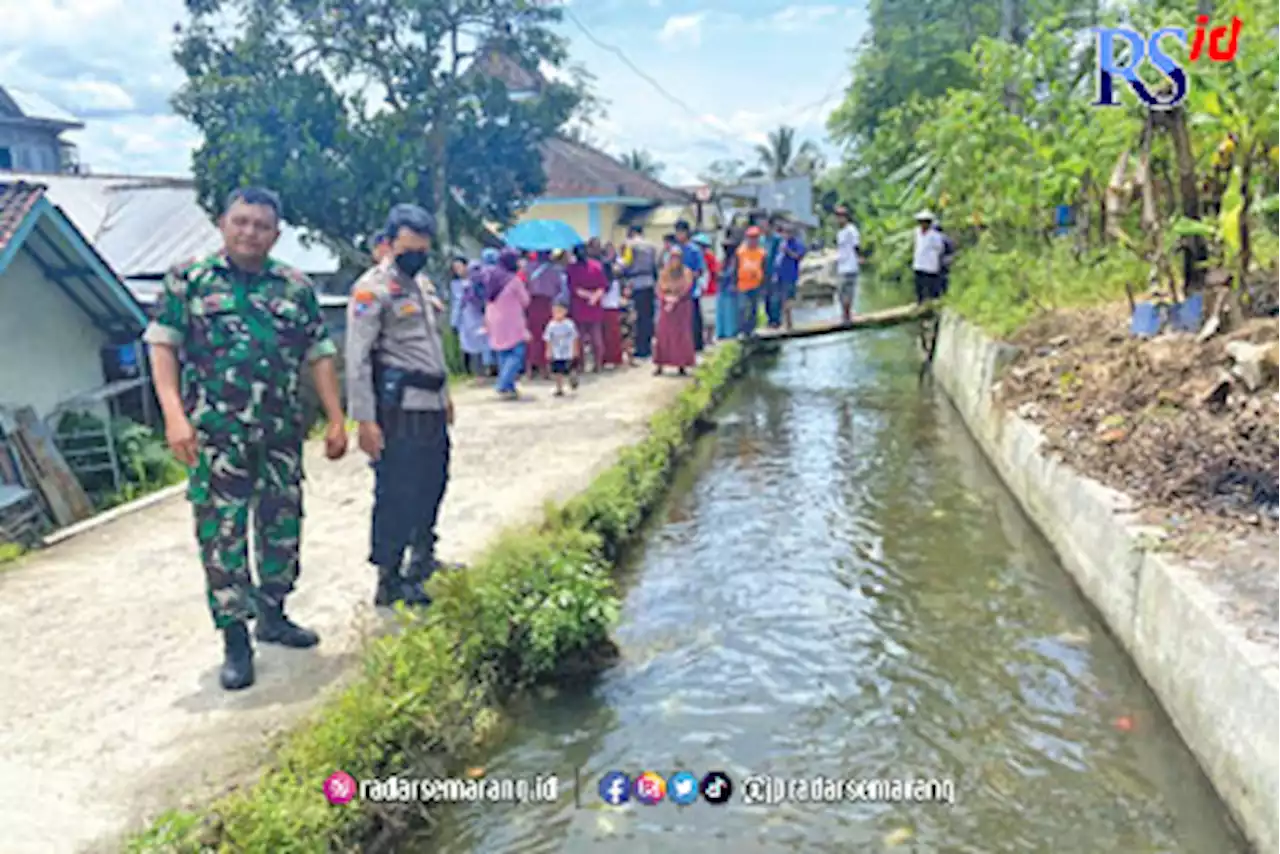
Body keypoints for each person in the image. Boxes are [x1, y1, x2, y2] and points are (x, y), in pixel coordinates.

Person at [144, 187, 348, 692]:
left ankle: (274, 615)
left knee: (282, 526)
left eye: (261, 225)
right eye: (241, 222)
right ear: (222, 223)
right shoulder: (188, 280)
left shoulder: (294, 287)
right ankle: (235, 640)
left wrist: (337, 418)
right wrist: (174, 415)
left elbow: (319, 352)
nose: (250, 232)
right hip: (215, 435)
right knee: (222, 537)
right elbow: (162, 347)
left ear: (275, 234)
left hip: (280, 432)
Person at [347, 203, 456, 615]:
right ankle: (389, 578)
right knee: (397, 491)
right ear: (389, 245)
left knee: (434, 482)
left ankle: (423, 559)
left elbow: (428, 344)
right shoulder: (371, 290)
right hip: (397, 409)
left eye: (423, 249)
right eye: (408, 249)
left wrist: (446, 396)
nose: (416, 256)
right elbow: (356, 360)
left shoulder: (421, 285)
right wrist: (365, 421)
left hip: (430, 404)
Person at [485, 248, 531, 399]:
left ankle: (509, 388)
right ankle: (503, 384)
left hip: (493, 319)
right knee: (517, 353)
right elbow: (526, 301)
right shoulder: (514, 280)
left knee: (503, 353)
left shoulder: (491, 278)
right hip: (511, 320)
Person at [524, 250, 568, 380]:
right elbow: (560, 289)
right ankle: (545, 370)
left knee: (532, 337)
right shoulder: (555, 270)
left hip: (531, 304)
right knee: (548, 337)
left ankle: (529, 370)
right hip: (548, 304)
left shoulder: (528, 268)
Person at [449, 255, 493, 383]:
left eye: (460, 266)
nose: (458, 270)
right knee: (472, 346)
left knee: (480, 344)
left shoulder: (476, 281)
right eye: (455, 268)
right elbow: (456, 303)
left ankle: (484, 372)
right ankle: (479, 373)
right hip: (466, 318)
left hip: (476, 316)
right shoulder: (456, 284)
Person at [653, 248, 697, 375]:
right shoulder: (664, 273)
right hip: (666, 307)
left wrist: (676, 298)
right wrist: (666, 298)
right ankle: (660, 364)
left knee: (681, 335)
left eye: (677, 257)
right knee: (663, 335)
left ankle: (681, 365)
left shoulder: (686, 272)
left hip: (681, 307)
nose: (675, 261)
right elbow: (658, 288)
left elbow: (687, 287)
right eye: (672, 257)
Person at [620, 225, 659, 360]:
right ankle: (647, 347)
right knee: (648, 317)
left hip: (636, 283)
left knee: (636, 317)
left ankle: (640, 347)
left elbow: (626, 263)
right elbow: (656, 266)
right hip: (649, 283)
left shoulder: (630, 245)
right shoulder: (652, 246)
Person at [567, 243, 607, 372]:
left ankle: (582, 365)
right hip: (593, 304)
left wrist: (589, 296)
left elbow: (573, 288)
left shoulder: (572, 268)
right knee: (595, 337)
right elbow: (603, 286)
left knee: (580, 337)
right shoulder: (596, 266)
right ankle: (598, 364)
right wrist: (594, 297)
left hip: (580, 305)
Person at [672, 220, 705, 353]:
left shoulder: (694, 250)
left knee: (694, 319)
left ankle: (697, 345)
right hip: (677, 290)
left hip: (691, 290)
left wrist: (689, 278)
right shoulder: (675, 250)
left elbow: (700, 270)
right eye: (677, 232)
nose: (679, 235)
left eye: (681, 232)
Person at [735, 226, 768, 335]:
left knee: (754, 309)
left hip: (756, 284)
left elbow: (765, 268)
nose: (753, 240)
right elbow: (735, 267)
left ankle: (752, 330)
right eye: (751, 237)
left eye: (755, 238)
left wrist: (764, 284)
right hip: (742, 285)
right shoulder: (740, 252)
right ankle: (742, 331)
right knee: (742, 308)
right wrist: (734, 282)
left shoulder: (762, 252)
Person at [772, 222, 806, 331]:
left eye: (788, 232)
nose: (786, 235)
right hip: (780, 275)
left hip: (790, 274)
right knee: (781, 299)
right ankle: (784, 322)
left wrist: (788, 251)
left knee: (788, 299)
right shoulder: (781, 244)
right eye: (784, 232)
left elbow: (798, 256)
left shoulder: (797, 244)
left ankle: (789, 323)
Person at [543, 301, 580, 396]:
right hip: (556, 353)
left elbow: (575, 337)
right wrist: (548, 351)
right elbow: (548, 339)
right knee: (557, 371)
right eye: (555, 311)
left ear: (565, 312)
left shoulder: (569, 324)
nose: (557, 313)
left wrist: (575, 350)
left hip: (568, 351)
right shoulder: (551, 325)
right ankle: (559, 388)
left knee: (569, 368)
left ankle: (573, 378)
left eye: (560, 311)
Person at [913, 210, 947, 304]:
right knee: (918, 285)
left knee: (931, 285)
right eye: (921, 221)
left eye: (925, 221)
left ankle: (932, 303)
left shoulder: (935, 235)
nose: (923, 224)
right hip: (919, 263)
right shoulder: (916, 232)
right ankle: (920, 302)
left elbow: (940, 248)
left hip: (930, 264)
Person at [834, 205, 862, 322]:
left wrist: (858, 257)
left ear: (846, 217)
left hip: (850, 266)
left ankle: (847, 316)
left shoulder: (851, 230)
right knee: (841, 293)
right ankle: (845, 314)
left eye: (841, 217)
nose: (839, 219)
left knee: (848, 292)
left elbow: (856, 245)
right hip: (842, 266)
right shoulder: (839, 233)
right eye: (837, 217)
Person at [693, 233, 719, 345]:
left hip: (710, 290)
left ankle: (710, 338)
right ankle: (703, 338)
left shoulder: (709, 257)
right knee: (701, 316)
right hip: (699, 291)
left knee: (710, 317)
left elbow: (714, 272)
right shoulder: (695, 257)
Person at [600, 252, 625, 367]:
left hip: (604, 308)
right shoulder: (615, 281)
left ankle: (605, 358)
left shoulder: (604, 282)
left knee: (604, 336)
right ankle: (616, 359)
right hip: (613, 308)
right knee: (614, 336)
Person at [715, 241, 740, 340]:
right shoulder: (724, 260)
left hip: (730, 288)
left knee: (730, 311)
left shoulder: (735, 260)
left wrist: (722, 275)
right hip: (722, 288)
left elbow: (732, 273)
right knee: (721, 310)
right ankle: (721, 332)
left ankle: (730, 333)